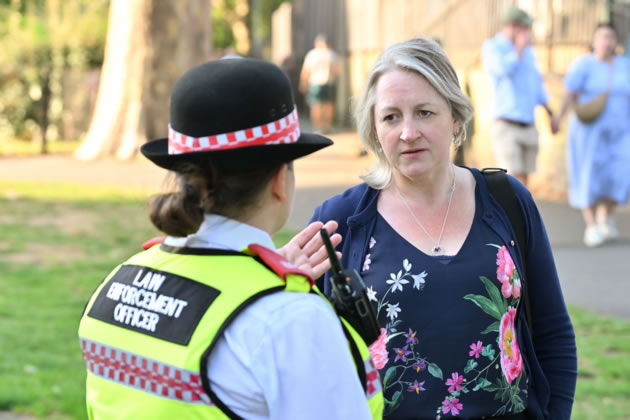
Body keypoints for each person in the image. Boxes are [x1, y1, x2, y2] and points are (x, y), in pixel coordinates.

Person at [77, 58, 383, 419]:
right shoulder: (293, 320)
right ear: (279, 181)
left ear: (185, 177)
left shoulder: (116, 286)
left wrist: (262, 279)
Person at [306, 38, 577, 419]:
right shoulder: (340, 221)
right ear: (374, 128)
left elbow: (554, 334)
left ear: (456, 116)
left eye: (424, 112)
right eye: (391, 117)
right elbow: (308, 358)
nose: (408, 132)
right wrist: (281, 282)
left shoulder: (507, 201)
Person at [551, 23, 630, 247]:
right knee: (588, 174)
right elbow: (569, 93)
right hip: (589, 132)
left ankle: (605, 216)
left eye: (611, 37)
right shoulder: (583, 65)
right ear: (594, 41)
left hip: (621, 131)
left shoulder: (624, 66)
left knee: (620, 174)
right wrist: (558, 117)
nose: (607, 41)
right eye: (603, 37)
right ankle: (592, 225)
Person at [482, 7, 553, 188]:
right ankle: (511, 216)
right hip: (506, 124)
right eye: (525, 28)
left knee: (525, 182)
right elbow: (503, 69)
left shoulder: (529, 52)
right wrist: (519, 49)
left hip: (528, 124)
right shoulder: (493, 47)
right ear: (513, 26)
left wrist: (550, 112)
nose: (528, 33)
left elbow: (536, 83)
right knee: (511, 179)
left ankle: (522, 216)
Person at [300, 33, 341, 134]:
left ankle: (318, 127)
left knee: (316, 105)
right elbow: (338, 70)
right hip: (329, 82)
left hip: (315, 83)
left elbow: (306, 71)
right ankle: (327, 126)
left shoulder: (312, 54)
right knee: (329, 105)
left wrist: (303, 83)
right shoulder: (331, 54)